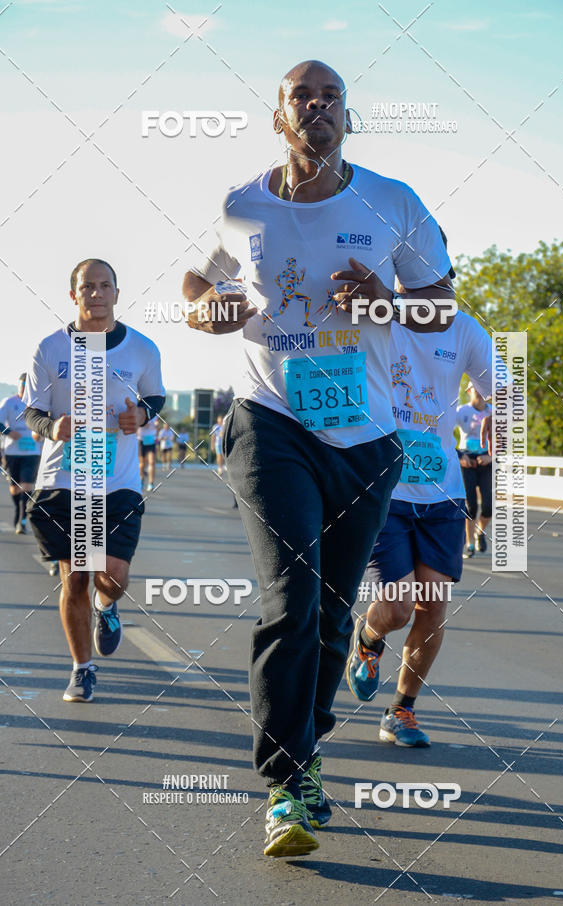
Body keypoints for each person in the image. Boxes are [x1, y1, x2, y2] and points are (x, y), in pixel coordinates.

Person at [183, 60, 453, 857]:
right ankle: (286, 782)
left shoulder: (392, 201)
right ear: (279, 118)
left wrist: (384, 300)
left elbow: (438, 307)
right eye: (302, 96)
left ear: (348, 116)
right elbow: (203, 279)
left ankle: (307, 750)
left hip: (364, 435)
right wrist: (207, 310)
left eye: (332, 97)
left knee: (333, 611)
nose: (318, 107)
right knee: (290, 597)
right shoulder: (244, 204)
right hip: (270, 423)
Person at [345, 306, 496, 747]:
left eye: (438, 275)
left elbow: (505, 386)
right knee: (397, 608)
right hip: (385, 490)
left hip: (443, 492)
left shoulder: (463, 328)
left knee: (432, 608)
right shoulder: (371, 315)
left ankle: (401, 711)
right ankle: (369, 636)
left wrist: (500, 411)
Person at [24, 258, 165, 703]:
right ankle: (82, 669)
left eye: (105, 286)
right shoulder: (49, 349)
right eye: (88, 287)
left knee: (112, 576)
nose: (97, 294)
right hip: (66, 478)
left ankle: (108, 606)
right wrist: (53, 428)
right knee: (75, 578)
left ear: (117, 294)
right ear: (74, 295)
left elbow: (155, 397)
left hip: (118, 478)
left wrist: (140, 415)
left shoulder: (142, 349)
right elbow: (32, 412)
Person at [0, 373, 42, 534]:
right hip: (12, 451)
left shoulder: (38, 403)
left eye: (27, 386)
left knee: (26, 486)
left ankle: (22, 520)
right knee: (15, 489)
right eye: (22, 386)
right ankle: (18, 511)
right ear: (19, 386)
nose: (24, 389)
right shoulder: (9, 403)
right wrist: (9, 432)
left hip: (32, 452)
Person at [456, 383, 493, 557]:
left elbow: (504, 438)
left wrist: (491, 457)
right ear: (469, 392)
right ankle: (469, 544)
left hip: (486, 459)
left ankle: (480, 531)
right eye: (475, 389)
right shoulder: (461, 411)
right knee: (470, 506)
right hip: (467, 460)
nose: (478, 392)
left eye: (481, 388)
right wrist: (459, 456)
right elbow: (445, 432)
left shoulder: (494, 412)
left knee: (488, 506)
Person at [137, 415, 158, 491]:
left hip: (151, 440)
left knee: (152, 462)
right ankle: (141, 481)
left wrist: (157, 426)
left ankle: (151, 483)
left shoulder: (154, 414)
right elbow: (139, 425)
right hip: (141, 440)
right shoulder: (139, 410)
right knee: (142, 463)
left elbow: (156, 426)